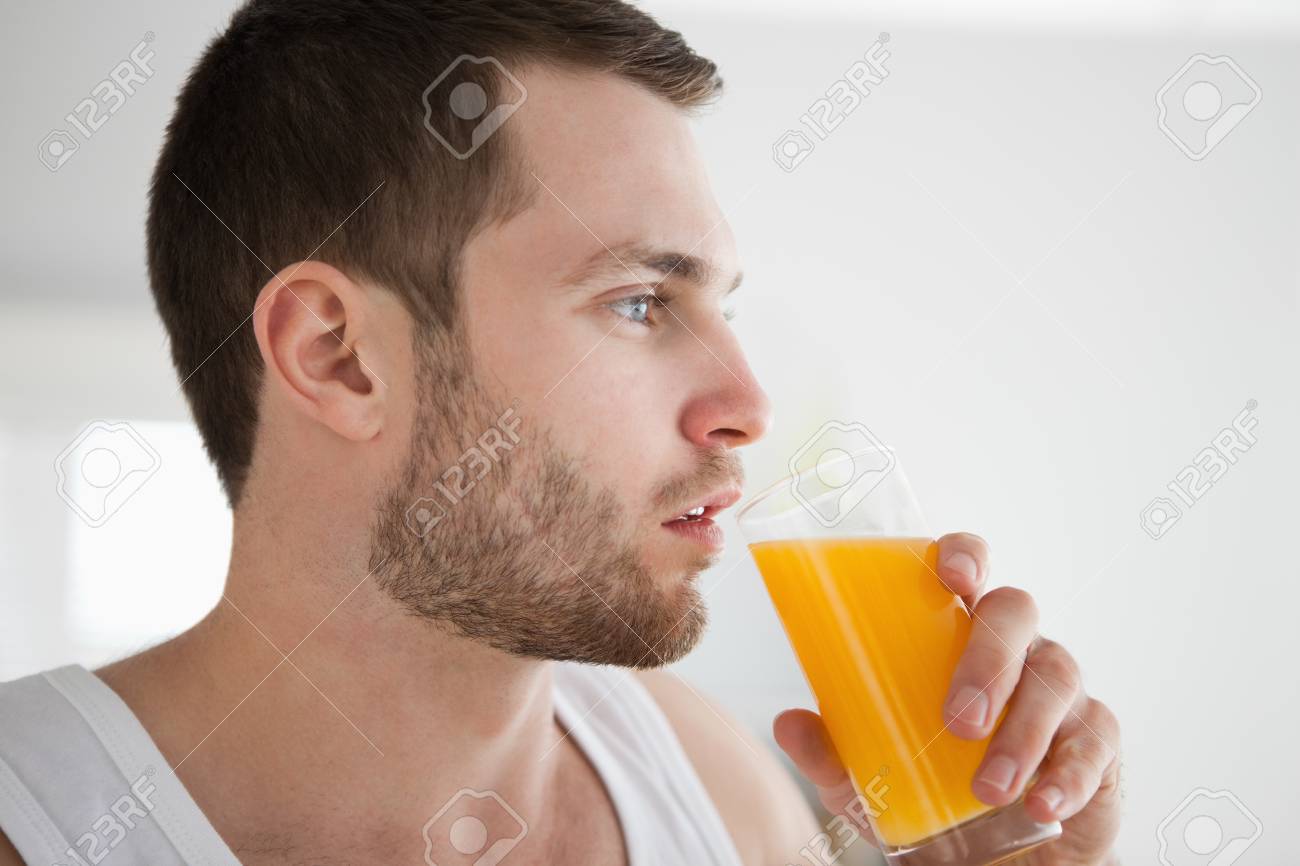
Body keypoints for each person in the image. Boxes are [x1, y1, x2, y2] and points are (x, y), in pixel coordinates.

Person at [0, 1, 1121, 863]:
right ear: (337, 354)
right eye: (639, 301)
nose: (748, 401)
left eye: (718, 306)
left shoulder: (717, 788)